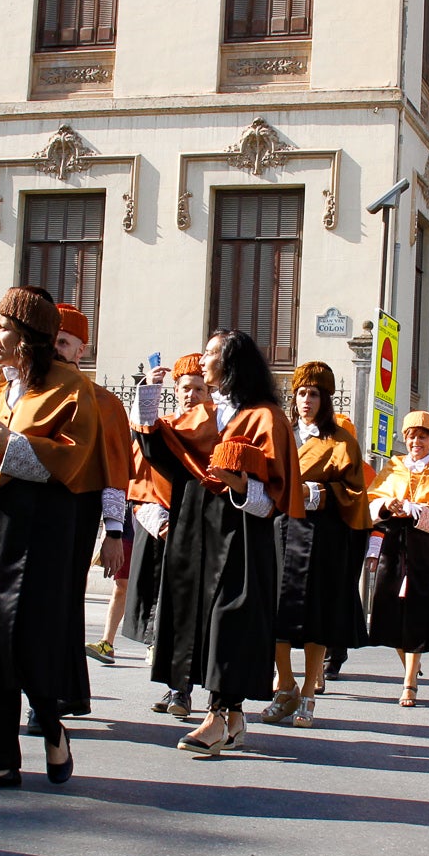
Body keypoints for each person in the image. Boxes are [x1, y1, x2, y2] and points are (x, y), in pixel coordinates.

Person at [0, 287, 105, 787]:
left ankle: (51, 725)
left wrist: (11, 446)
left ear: (29, 337)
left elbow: (74, 459)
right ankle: (0, 758)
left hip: (36, 525)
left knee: (24, 634)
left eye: (3, 329)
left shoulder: (70, 386)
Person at [132, 328, 299, 757]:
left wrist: (240, 485)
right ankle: (234, 718)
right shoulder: (203, 415)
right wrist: (148, 395)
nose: (202, 360)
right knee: (197, 618)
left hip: (240, 532)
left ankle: (217, 717)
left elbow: (273, 497)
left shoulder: (266, 418)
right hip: (194, 526)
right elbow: (159, 452)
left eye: (210, 353)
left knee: (230, 620)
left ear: (230, 362)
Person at [265, 361, 369, 728]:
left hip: (322, 537)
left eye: (313, 394)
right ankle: (286, 684)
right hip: (279, 531)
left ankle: (309, 690)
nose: (306, 400)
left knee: (316, 616)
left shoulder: (342, 443)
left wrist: (320, 492)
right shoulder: (280, 435)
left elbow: (356, 493)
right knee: (274, 613)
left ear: (326, 399)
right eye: (301, 393)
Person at [125, 354, 207, 719]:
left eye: (199, 389)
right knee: (172, 618)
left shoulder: (218, 431)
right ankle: (178, 689)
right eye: (185, 388)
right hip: (166, 533)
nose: (191, 395)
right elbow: (140, 481)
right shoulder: (166, 427)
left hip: (205, 536)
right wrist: (160, 522)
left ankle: (215, 702)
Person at [365, 411, 429, 707]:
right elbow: (372, 507)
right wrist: (388, 505)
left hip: (425, 552)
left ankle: (409, 683)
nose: (416, 442)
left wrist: (422, 513)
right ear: (405, 439)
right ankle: (410, 662)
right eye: (412, 436)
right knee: (390, 609)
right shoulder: (391, 468)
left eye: (423, 437)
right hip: (394, 549)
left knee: (418, 611)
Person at [53, 304, 130, 672]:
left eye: (64, 342)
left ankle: (55, 693)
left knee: (62, 603)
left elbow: (115, 469)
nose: (56, 348)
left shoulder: (104, 401)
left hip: (74, 514)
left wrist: (113, 532)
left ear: (80, 350)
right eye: (50, 341)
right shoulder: (25, 389)